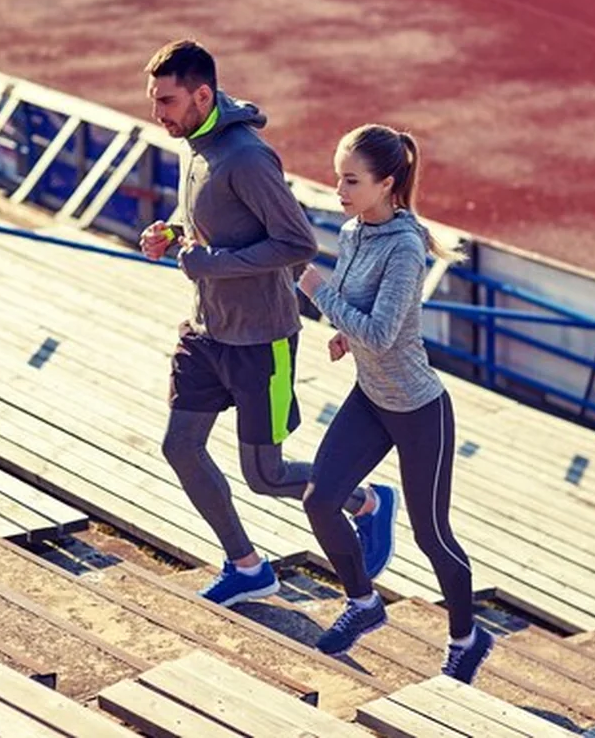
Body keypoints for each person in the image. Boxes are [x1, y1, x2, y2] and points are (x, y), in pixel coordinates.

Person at [138, 41, 399, 608]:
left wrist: (211, 263)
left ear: (202, 95)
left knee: (266, 474)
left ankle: (367, 502)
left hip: (262, 340)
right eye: (154, 99)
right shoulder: (197, 143)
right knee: (180, 447)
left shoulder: (247, 158)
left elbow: (296, 243)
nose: (158, 112)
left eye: (167, 100)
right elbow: (219, 223)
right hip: (206, 330)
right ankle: (247, 566)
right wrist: (176, 234)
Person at [296, 124, 494, 683]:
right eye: (338, 177)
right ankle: (363, 603)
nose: (339, 189)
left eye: (351, 180)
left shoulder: (405, 247)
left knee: (433, 535)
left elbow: (381, 334)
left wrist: (315, 290)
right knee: (320, 499)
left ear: (386, 184)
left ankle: (467, 637)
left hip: (417, 409)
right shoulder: (357, 229)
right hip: (371, 397)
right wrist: (342, 330)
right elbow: (361, 310)